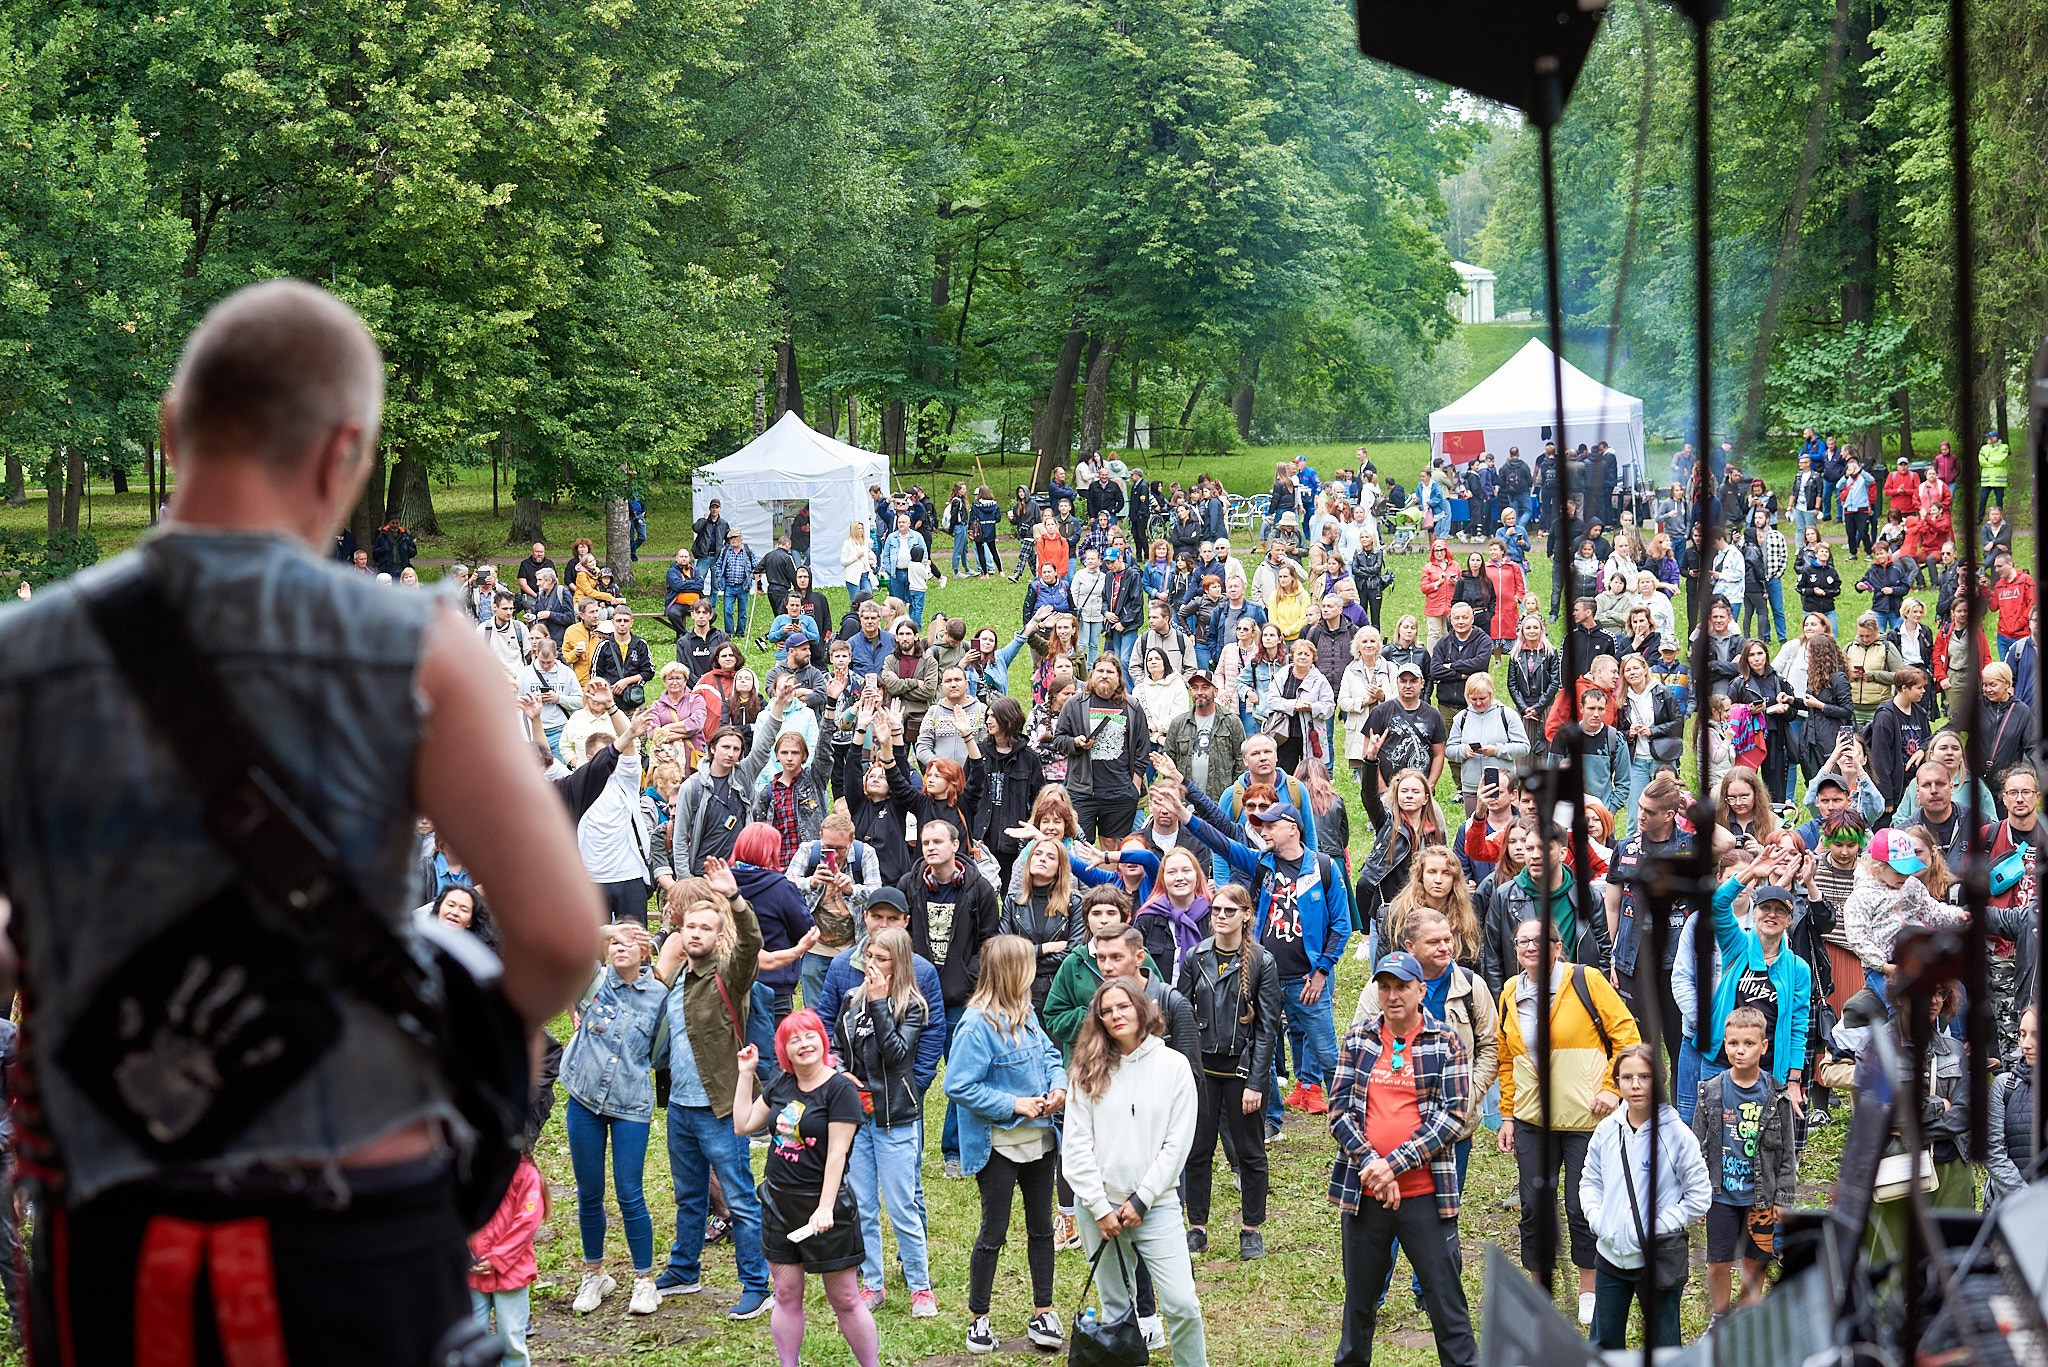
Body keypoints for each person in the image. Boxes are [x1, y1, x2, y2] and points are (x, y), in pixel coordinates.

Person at [0, 281, 604, 1362]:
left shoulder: (19, 657)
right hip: (350, 1225)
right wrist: (487, 1037)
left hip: (115, 1233)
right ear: (344, 456)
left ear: (170, 429)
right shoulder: (416, 642)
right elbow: (560, 935)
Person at [1328, 951, 1477, 1367]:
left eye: (1402, 987)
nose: (1392, 996)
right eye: (1385, 987)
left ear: (1420, 991)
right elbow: (1339, 1112)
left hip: (1426, 1195)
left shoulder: (1444, 1041)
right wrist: (1374, 1164)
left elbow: (1451, 1118)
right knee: (1359, 1304)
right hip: (1366, 1195)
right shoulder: (1359, 1038)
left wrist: (1393, 1165)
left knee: (1447, 1304)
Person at [1497, 917, 1642, 1326]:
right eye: (1522, 940)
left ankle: (1588, 1290)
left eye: (1540, 941)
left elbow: (1627, 1036)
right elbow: (1508, 1059)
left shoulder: (1587, 980)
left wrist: (1613, 1088)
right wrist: (1507, 1114)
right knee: (1534, 1207)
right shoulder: (1510, 991)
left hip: (1585, 1118)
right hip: (1531, 1118)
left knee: (1582, 1207)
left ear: (1558, 948)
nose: (1530, 947)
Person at [652, 869, 775, 1317]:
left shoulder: (730, 974)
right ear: (680, 932)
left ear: (717, 933)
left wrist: (736, 901)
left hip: (722, 1105)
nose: (696, 934)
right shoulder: (674, 979)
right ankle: (685, 1269)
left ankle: (756, 1285)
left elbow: (750, 945)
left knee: (740, 1197)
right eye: (691, 927)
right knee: (689, 1195)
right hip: (680, 1106)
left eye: (706, 927)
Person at [944, 936, 1070, 1355]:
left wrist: (1058, 1084)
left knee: (1041, 1229)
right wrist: (1012, 1103)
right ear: (1013, 971)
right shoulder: (976, 1025)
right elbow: (958, 1085)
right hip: (999, 1146)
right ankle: (978, 1318)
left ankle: (1043, 1310)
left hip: (1041, 1142)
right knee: (992, 1232)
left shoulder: (1027, 1012)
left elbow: (1051, 1055)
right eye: (1029, 964)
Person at [732, 1011, 880, 1367]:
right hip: (779, 1203)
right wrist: (746, 1074)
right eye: (794, 1039)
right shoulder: (781, 1083)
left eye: (810, 1035)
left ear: (822, 1040)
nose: (804, 1044)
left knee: (844, 1297)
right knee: (785, 1292)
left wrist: (826, 1207)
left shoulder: (840, 1088)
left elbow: (838, 1153)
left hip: (825, 1207)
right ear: (784, 1049)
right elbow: (743, 1124)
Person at [563, 925, 667, 1316]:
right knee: (588, 1191)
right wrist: (607, 930)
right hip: (584, 1097)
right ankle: (594, 1275)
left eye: (631, 944)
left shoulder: (660, 996)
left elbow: (664, 1051)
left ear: (646, 953)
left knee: (630, 1192)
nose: (620, 949)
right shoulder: (594, 978)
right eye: (615, 944)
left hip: (630, 1104)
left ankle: (644, 1280)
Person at [1176, 883, 1280, 1261]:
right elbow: (1181, 1012)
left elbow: (1268, 1028)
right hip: (1202, 1071)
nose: (1220, 916)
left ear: (1245, 915)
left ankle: (1251, 1228)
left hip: (1240, 1070)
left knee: (1249, 1151)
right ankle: (1197, 1226)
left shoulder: (1262, 962)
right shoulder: (1196, 956)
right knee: (1197, 1150)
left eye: (1229, 911)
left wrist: (1256, 1082)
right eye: (1216, 910)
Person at [1580, 1045, 1710, 1350]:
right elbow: (1590, 1180)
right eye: (1627, 1077)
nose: (1635, 1085)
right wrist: (1600, 1220)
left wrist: (1659, 1225)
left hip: (1657, 1257)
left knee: (1664, 1344)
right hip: (1610, 1255)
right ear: (1617, 1081)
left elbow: (1699, 1196)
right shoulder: (1607, 1130)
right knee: (1603, 1343)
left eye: (1644, 1076)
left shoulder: (1677, 1135)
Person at [1694, 1005, 1797, 1319]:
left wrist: (1783, 1199)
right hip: (1721, 1194)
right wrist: (1696, 1195)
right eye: (1733, 1043)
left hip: (1761, 1197)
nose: (1740, 1051)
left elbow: (1787, 1152)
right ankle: (1721, 1318)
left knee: (1756, 1262)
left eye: (1748, 1043)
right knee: (1717, 1264)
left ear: (1764, 1046)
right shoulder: (1710, 1092)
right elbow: (1696, 1148)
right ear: (1724, 1044)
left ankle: (1748, 1321)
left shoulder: (1776, 1095)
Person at [1055, 653, 1153, 842]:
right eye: (1100, 670)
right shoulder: (1075, 704)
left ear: (1119, 678)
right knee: (1081, 845)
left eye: (1110, 671)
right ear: (1092, 675)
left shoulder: (1132, 707)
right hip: (1082, 791)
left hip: (1120, 791)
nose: (1104, 675)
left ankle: (1108, 874)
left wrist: (1135, 784)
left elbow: (1143, 748)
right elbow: (1059, 739)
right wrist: (1076, 743)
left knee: (1111, 845)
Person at [468, 1150, 547, 1367]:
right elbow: (453, 1212)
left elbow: (526, 1224)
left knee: (511, 1339)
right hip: (471, 1272)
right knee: (470, 1342)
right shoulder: (466, 1171)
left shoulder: (525, 1174)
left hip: (511, 1272)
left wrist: (497, 1258)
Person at [1986, 1004, 2038, 1204]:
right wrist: (2026, 1199)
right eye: (2022, 1034)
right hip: (2011, 1210)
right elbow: (1993, 1151)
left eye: (2035, 1035)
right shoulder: (2005, 1085)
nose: (2026, 1044)